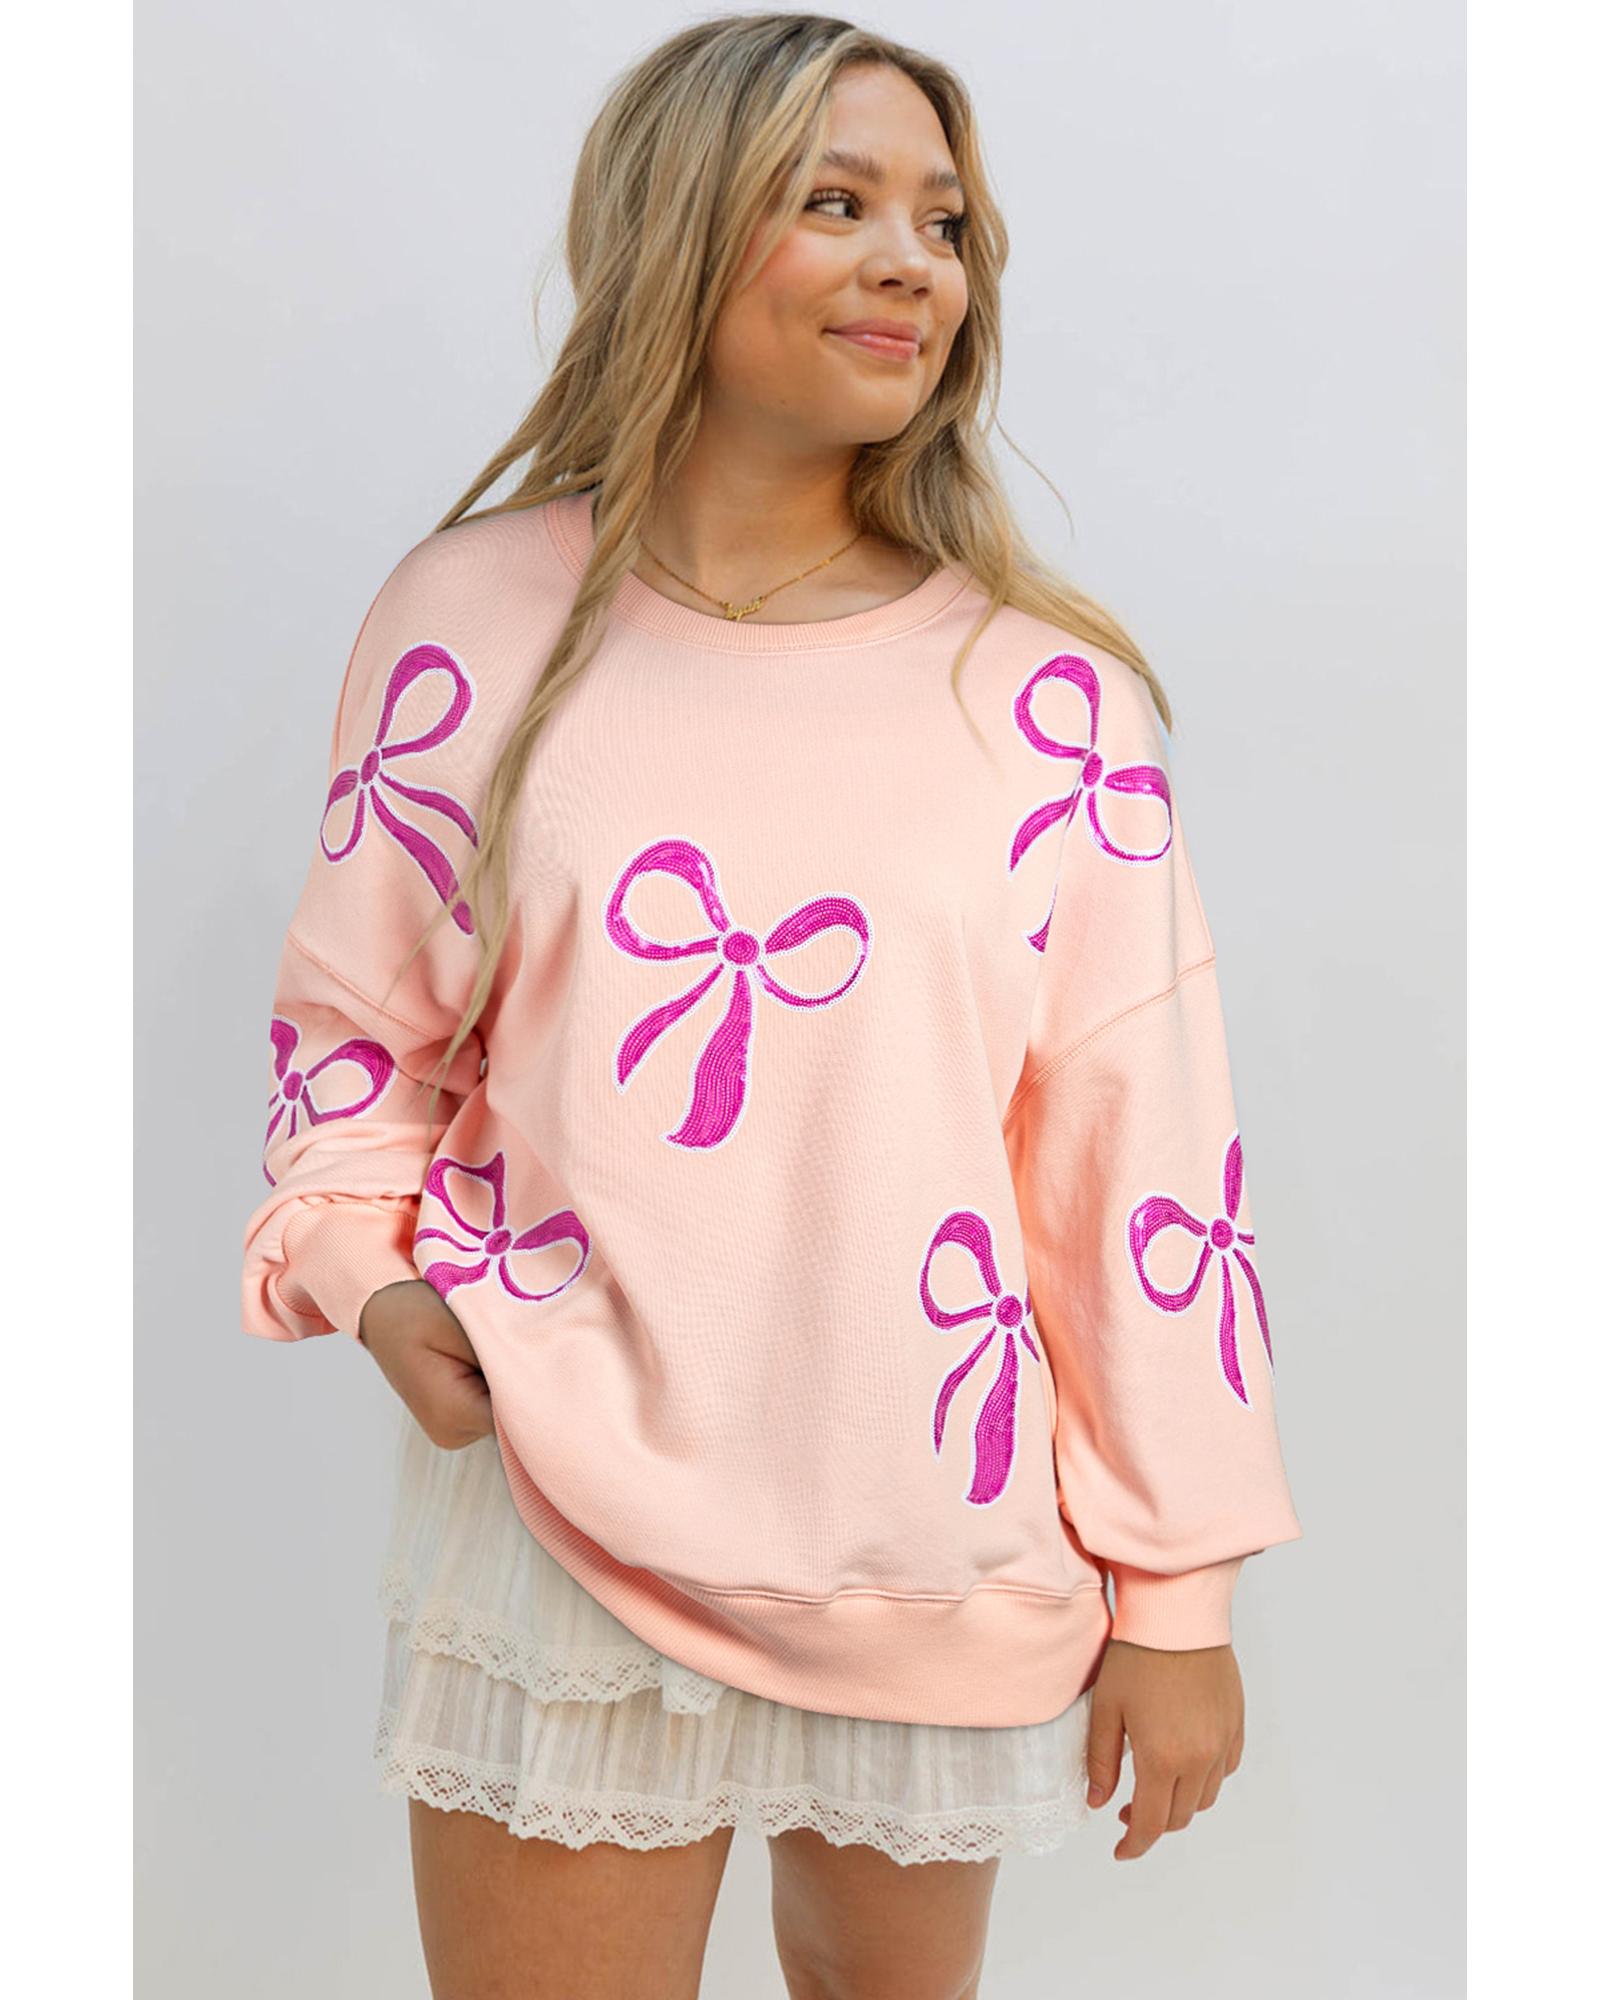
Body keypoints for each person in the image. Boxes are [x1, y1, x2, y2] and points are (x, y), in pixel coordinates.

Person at [239, 14, 1303, 1998]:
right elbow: (354, 1038)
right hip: (559, 1510)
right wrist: (365, 1276)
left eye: (945, 221)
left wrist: (1178, 1594)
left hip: (929, 1537)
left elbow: (1139, 1163)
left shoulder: (1044, 701)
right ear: (680, 230)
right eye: (837, 202)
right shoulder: (474, 618)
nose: (914, 263)